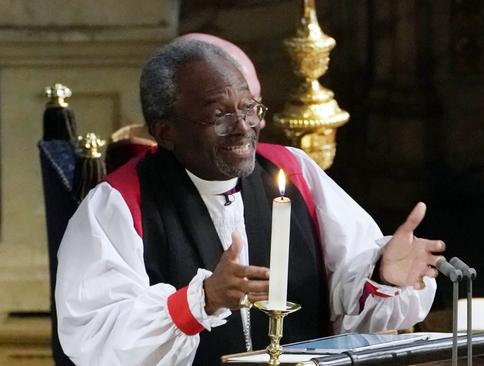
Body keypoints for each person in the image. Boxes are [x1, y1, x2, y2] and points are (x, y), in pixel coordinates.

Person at [55, 35, 446, 366]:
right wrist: (199, 303)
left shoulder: (293, 170)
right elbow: (93, 336)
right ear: (166, 131)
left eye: (248, 108)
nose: (243, 127)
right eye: (219, 114)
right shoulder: (118, 204)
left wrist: (384, 276)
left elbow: (350, 293)